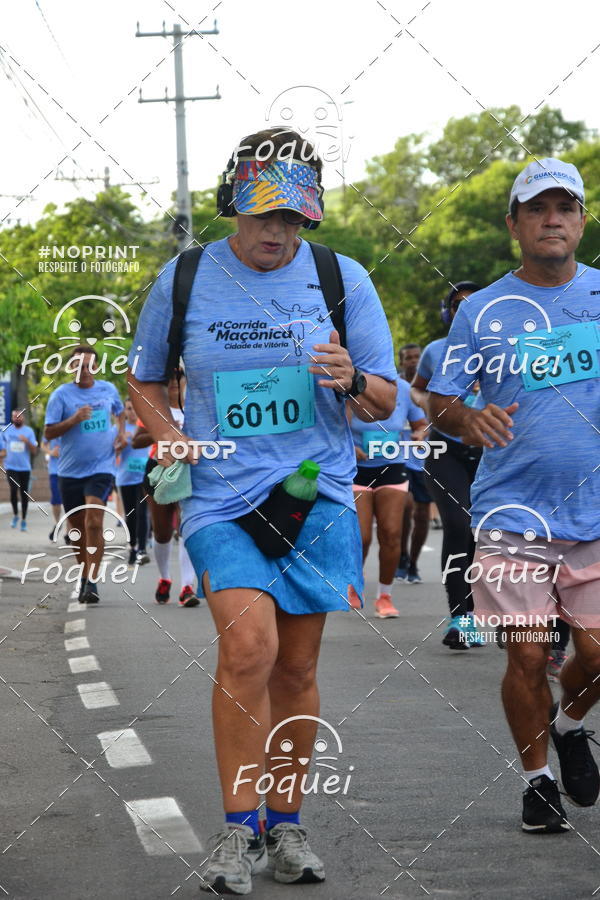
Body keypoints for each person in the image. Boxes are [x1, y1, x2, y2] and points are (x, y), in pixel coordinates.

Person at [127, 127, 397, 895]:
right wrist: (170, 434)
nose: (277, 231)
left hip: (317, 492)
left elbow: (385, 400)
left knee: (298, 664)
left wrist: (351, 378)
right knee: (249, 648)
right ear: (233, 209)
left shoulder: (343, 280)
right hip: (220, 495)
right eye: (262, 215)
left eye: (294, 218)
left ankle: (287, 824)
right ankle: (237, 832)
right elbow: (142, 380)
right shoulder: (184, 280)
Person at [428, 157, 600, 834]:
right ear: (515, 225)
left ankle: (570, 722)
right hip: (511, 514)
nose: (552, 219)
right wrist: (468, 418)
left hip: (594, 512)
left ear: (582, 221)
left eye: (565, 208)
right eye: (537, 209)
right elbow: (441, 401)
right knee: (527, 653)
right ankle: (537, 783)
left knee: (594, 652)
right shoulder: (481, 311)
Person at [411, 281, 484, 649]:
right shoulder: (435, 351)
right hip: (444, 449)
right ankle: (461, 618)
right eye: (458, 305)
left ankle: (499, 613)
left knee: (494, 534)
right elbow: (418, 389)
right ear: (449, 312)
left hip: (495, 452)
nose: (465, 310)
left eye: (475, 303)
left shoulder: (505, 344)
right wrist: (432, 413)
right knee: (458, 524)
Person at [44, 345, 125, 604]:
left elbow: (121, 412)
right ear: (71, 367)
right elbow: (48, 433)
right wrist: (74, 420)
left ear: (96, 367)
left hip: (102, 467)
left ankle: (92, 581)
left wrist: (121, 433)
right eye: (78, 365)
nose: (84, 370)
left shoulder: (108, 390)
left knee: (94, 520)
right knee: (77, 528)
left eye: (89, 365)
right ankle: (84, 574)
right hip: (69, 471)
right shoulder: (61, 396)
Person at [350, 376, 426, 616]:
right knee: (361, 537)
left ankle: (385, 596)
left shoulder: (403, 389)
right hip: (356, 469)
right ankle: (355, 581)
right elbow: (334, 427)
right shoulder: (352, 383)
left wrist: (420, 435)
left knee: (392, 533)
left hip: (393, 466)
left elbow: (420, 424)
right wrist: (350, 448)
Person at [132, 375, 200, 607]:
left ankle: (187, 587)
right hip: (159, 470)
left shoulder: (196, 408)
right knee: (162, 532)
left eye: (178, 375)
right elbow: (136, 441)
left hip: (189, 471)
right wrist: (161, 432)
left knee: (185, 527)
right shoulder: (155, 410)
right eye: (169, 376)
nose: (173, 380)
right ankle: (164, 578)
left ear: (184, 380)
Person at [396, 344, 431, 584]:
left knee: (422, 514)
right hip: (399, 457)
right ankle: (402, 556)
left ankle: (414, 563)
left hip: (426, 458)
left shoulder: (432, 387)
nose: (413, 361)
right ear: (401, 361)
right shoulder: (396, 386)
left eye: (417, 357)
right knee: (405, 510)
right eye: (408, 358)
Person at [116, 398, 151, 567]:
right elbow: (112, 451)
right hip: (126, 478)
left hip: (144, 477)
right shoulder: (120, 430)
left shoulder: (146, 427)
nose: (132, 411)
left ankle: (142, 549)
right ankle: (132, 547)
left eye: (135, 408)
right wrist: (122, 442)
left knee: (142, 513)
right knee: (130, 515)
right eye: (129, 409)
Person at [1, 409, 38, 531]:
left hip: (24, 467)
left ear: (23, 418)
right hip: (11, 467)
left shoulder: (29, 431)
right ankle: (16, 514)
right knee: (13, 489)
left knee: (24, 493)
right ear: (12, 418)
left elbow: (34, 451)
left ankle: (23, 520)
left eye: (19, 416)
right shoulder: (6, 430)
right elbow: (2, 448)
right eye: (14, 416)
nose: (17, 418)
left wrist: (27, 442)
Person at [41, 437, 62, 540]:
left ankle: (69, 532)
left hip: (70, 470)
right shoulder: (51, 425)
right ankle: (57, 523)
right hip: (54, 471)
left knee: (70, 502)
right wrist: (50, 452)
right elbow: (43, 445)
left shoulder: (72, 425)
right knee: (56, 501)